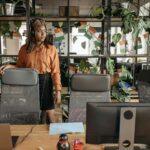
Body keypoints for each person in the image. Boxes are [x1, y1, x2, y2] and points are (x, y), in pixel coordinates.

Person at [0, 18, 62, 123]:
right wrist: (10, 66)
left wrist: (58, 91)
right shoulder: (24, 49)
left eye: (44, 31)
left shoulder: (52, 49)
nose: (43, 34)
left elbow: (56, 72)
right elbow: (20, 67)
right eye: (39, 31)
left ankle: (54, 138)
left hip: (45, 81)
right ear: (33, 32)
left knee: (50, 113)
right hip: (29, 83)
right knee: (33, 114)